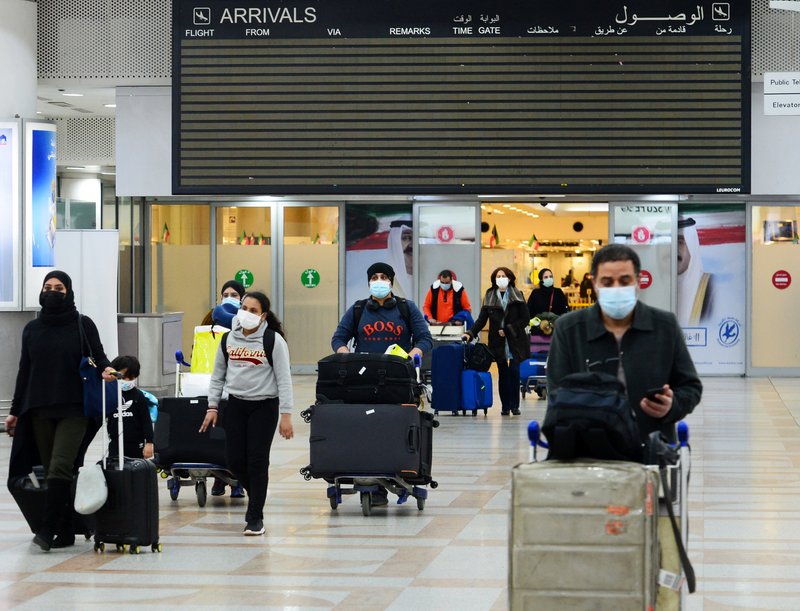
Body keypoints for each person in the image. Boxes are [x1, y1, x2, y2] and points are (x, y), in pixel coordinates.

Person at [546, 244, 702, 443]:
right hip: (589, 452)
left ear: (638, 281)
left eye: (625, 280)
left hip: (651, 447)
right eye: (607, 282)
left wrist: (673, 405)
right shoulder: (569, 329)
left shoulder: (665, 326)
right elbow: (557, 393)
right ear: (594, 283)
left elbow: (690, 386)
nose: (616, 288)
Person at [6, 270, 117, 551]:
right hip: (39, 408)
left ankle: (47, 527)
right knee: (55, 470)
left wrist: (106, 369)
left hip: (75, 407)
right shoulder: (32, 328)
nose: (53, 291)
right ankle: (67, 530)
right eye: (48, 286)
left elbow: (99, 355)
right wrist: (15, 411)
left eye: (59, 287)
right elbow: (24, 371)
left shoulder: (82, 324)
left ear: (69, 291)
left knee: (60, 465)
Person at [200, 291, 294, 536]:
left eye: (253, 310)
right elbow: (217, 375)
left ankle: (255, 518)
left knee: (257, 461)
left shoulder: (273, 341)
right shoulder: (228, 339)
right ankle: (257, 492)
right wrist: (212, 407)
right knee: (234, 461)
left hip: (264, 406)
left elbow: (284, 380)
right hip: (235, 406)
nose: (247, 313)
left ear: (262, 316)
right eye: (244, 308)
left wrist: (286, 414)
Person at [463, 267, 530, 416]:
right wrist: (470, 333)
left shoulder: (517, 296)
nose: (500, 278)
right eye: (498, 276)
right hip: (497, 343)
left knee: (514, 372)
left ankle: (515, 405)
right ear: (494, 279)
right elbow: (481, 320)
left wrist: (508, 329)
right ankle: (505, 406)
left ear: (510, 278)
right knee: (503, 374)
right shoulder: (489, 296)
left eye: (503, 276)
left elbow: (525, 319)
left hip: (515, 341)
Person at [201, 279, 246, 498]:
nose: (229, 298)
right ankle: (219, 478)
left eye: (235, 295)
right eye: (225, 294)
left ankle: (237, 480)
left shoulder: (248, 320)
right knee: (217, 437)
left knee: (238, 438)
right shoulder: (212, 318)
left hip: (241, 385)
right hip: (217, 383)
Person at [332, 262, 433, 358]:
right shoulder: (357, 309)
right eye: (374, 278)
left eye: (384, 277)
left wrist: (408, 359)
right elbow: (338, 339)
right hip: (364, 372)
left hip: (399, 371)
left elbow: (425, 339)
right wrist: (348, 358)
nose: (379, 281)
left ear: (391, 284)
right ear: (369, 284)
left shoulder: (407, 307)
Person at [677, 216, 715, 326]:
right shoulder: (657, 287)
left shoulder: (711, 287)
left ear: (691, 247)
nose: (673, 250)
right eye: (668, 243)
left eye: (680, 242)